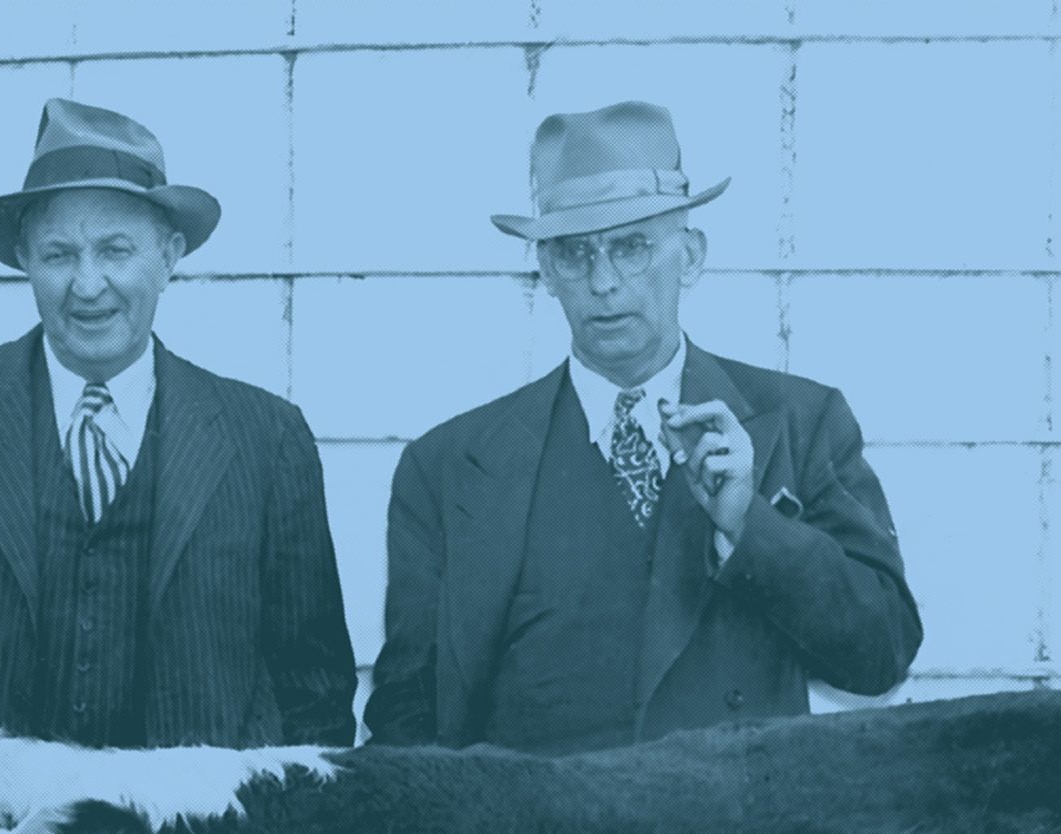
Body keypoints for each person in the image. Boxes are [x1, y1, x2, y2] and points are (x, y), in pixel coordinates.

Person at [364, 101, 921, 753]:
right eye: (574, 254)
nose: (603, 283)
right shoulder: (449, 465)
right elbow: (407, 717)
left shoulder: (799, 423)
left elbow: (881, 656)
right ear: (544, 270)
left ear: (689, 256)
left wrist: (750, 527)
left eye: (631, 248)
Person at [0, 98, 357, 751]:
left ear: (169, 255)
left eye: (116, 250)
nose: (88, 284)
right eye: (59, 254)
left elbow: (314, 700)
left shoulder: (267, 436)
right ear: (24, 259)